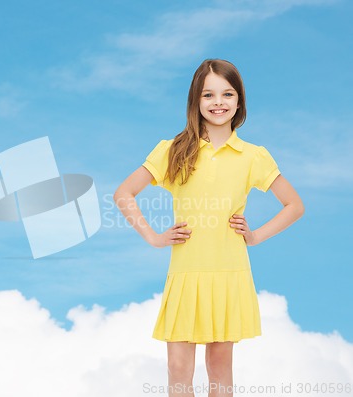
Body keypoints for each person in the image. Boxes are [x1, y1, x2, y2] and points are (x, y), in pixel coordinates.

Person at [113, 59, 305, 397]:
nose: (219, 102)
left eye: (227, 94)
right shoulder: (172, 150)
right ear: (196, 101)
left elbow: (294, 205)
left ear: (239, 101)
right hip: (186, 272)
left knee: (219, 368)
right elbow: (123, 193)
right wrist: (154, 237)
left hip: (229, 271)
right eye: (209, 95)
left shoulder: (253, 156)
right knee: (178, 369)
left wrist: (255, 235)